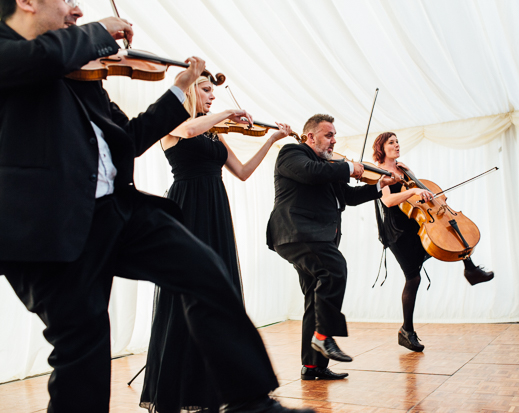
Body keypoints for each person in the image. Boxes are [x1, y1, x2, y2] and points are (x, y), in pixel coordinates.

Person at [0, 1, 313, 412]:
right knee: (82, 348)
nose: (76, 10)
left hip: (117, 212)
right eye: (67, 0)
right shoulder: (20, 54)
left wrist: (179, 87)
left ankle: (250, 402)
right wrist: (98, 31)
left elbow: (128, 139)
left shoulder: (79, 72)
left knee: (205, 270)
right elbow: (35, 60)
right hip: (44, 227)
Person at [140, 75, 292, 413]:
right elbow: (190, 130)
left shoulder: (214, 135)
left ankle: (218, 387)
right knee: (185, 294)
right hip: (187, 207)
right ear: (190, 89)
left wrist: (270, 139)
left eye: (214, 91)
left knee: (220, 294)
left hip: (215, 209)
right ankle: (176, 388)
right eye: (206, 89)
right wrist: (226, 113)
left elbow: (242, 171)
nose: (212, 95)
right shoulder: (174, 122)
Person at [266, 114, 396, 381]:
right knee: (335, 269)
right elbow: (310, 174)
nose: (334, 141)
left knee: (315, 298)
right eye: (328, 135)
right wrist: (349, 168)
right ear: (310, 137)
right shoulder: (293, 153)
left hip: (317, 236)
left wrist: (379, 185)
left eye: (335, 135)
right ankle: (324, 336)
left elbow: (347, 197)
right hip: (297, 232)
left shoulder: (331, 165)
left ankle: (313, 367)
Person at [371, 132, 494, 352]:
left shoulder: (404, 168)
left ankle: (470, 268)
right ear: (381, 147)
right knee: (413, 278)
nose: (397, 145)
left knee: (449, 229)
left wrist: (424, 194)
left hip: (415, 222)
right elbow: (388, 201)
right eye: (391, 142)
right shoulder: (378, 172)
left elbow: (418, 197)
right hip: (397, 230)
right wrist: (415, 190)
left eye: (398, 141)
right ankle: (406, 331)